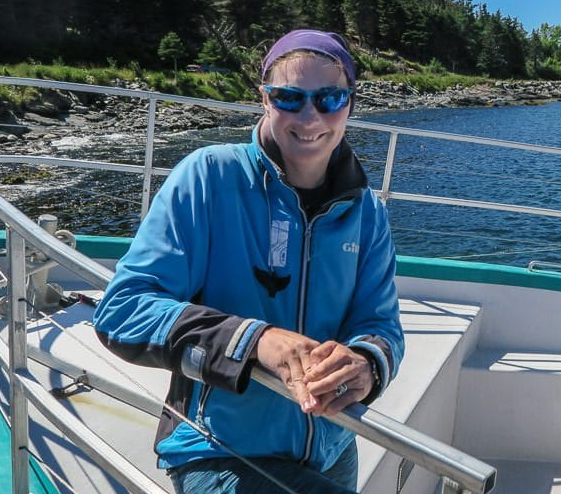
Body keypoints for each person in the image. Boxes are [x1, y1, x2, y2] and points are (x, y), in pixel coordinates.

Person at [95, 29, 404, 493]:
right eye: (289, 97)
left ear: (351, 104)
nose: (309, 116)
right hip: (220, 450)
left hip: (335, 445)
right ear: (264, 99)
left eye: (329, 99)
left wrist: (365, 362)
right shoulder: (208, 176)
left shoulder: (367, 212)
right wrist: (255, 341)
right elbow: (124, 311)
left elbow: (381, 324)